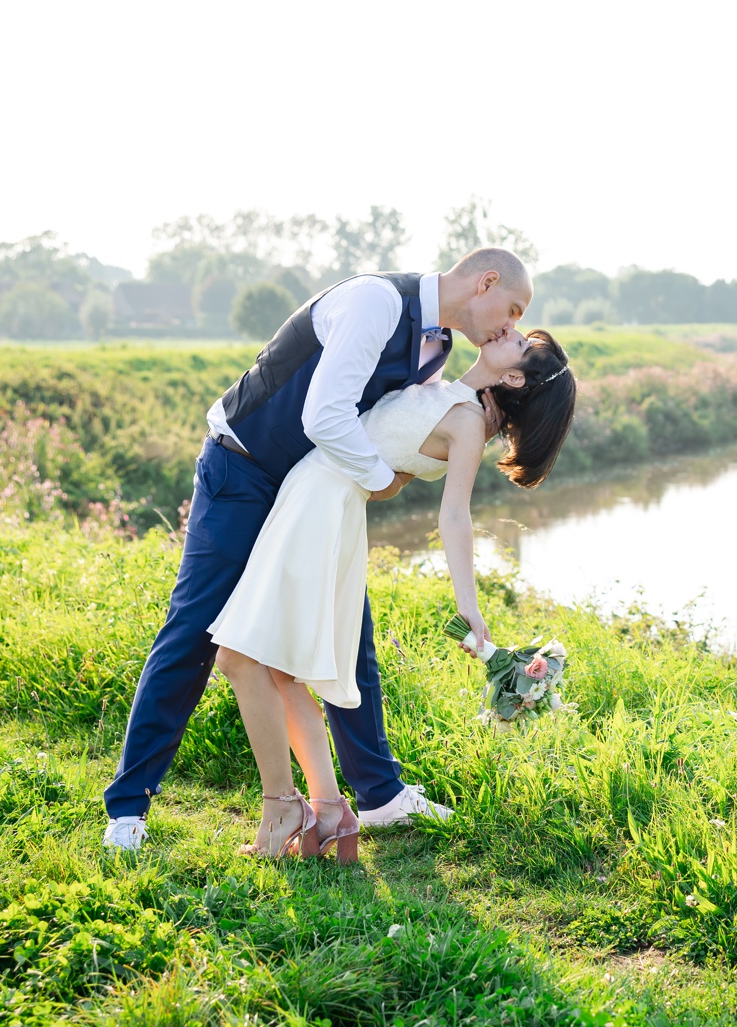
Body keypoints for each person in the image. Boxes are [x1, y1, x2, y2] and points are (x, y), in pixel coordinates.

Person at [101, 249, 532, 849]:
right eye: (511, 309)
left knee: (349, 636)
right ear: (485, 282)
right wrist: (382, 482)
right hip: (243, 471)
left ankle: (376, 797)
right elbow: (326, 416)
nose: (509, 325)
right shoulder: (375, 302)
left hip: (311, 496)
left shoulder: (437, 347)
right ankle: (128, 808)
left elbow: (400, 420)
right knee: (195, 631)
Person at [209, 326, 575, 859]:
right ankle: (328, 809)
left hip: (321, 509)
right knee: (277, 671)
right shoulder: (449, 390)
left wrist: (467, 604)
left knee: (239, 659)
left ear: (514, 375)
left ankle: (283, 807)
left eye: (519, 342)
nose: (509, 329)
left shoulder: (468, 422)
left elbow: (455, 515)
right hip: (310, 498)